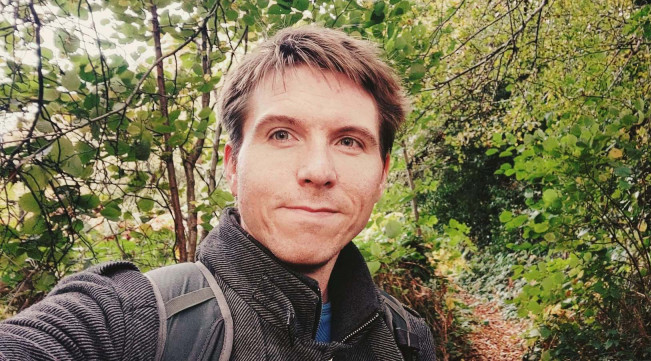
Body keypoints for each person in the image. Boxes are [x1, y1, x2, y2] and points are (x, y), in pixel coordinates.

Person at [0, 26, 436, 360]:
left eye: (349, 141)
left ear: (381, 175)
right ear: (232, 166)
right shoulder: (134, 318)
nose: (318, 171)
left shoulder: (407, 337)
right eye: (282, 134)